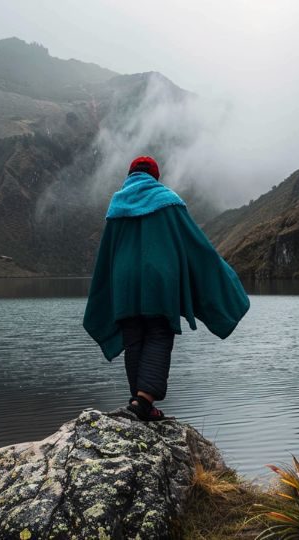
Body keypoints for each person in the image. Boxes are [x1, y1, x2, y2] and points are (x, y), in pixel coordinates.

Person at [83, 156, 250, 421]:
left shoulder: (118, 204)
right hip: (159, 279)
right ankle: (143, 402)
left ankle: (141, 403)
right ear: (154, 176)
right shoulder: (167, 200)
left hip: (124, 280)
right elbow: (196, 244)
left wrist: (104, 291)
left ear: (130, 175)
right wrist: (224, 275)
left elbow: (107, 254)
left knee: (133, 335)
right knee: (159, 333)